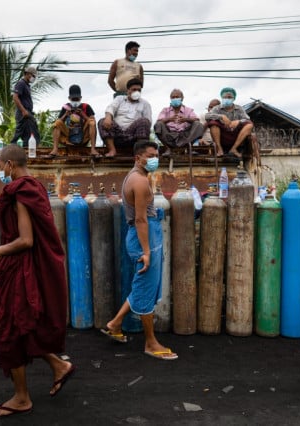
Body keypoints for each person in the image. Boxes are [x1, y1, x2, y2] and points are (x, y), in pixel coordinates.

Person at [0, 144, 74, 418]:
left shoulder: (20, 193)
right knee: (25, 324)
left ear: (10, 165)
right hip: (23, 268)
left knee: (11, 329)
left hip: (21, 266)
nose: (0, 171)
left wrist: (1, 251)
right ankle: (59, 366)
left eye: (0, 166)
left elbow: (26, 240)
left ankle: (22, 398)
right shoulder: (34, 186)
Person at [100, 140, 178, 361]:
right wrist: (146, 251)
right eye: (151, 155)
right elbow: (141, 219)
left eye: (157, 154)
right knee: (145, 289)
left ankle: (115, 324)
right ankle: (151, 343)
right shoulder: (140, 182)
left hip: (143, 234)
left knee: (142, 285)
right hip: (145, 236)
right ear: (138, 158)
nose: (155, 159)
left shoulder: (134, 176)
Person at [98, 78, 152, 158]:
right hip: (117, 134)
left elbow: (148, 122)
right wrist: (108, 117)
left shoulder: (145, 104)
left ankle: (139, 153)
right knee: (103, 121)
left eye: (139, 90)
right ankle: (112, 150)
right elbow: (111, 108)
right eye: (134, 89)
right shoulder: (119, 99)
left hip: (134, 137)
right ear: (128, 90)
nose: (136, 92)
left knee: (144, 121)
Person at [47, 84, 100, 158]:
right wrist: (65, 114)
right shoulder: (66, 106)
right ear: (69, 98)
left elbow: (92, 122)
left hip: (83, 136)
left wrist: (82, 114)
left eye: (77, 99)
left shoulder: (86, 106)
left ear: (81, 98)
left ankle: (93, 149)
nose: (75, 101)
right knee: (57, 123)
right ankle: (55, 149)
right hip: (68, 136)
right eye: (73, 99)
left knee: (91, 122)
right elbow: (59, 122)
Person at [153, 89, 205, 157]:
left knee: (198, 125)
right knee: (158, 125)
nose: (175, 98)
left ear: (182, 98)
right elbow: (158, 122)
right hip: (170, 135)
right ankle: (168, 148)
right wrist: (169, 119)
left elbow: (196, 120)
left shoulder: (188, 110)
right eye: (173, 97)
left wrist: (186, 119)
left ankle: (189, 148)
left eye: (177, 97)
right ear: (170, 99)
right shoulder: (165, 110)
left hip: (185, 135)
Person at [204, 87, 253, 158]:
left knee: (249, 125)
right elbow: (207, 116)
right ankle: (219, 149)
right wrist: (221, 116)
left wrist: (239, 121)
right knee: (213, 123)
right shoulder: (217, 108)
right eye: (225, 97)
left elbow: (247, 118)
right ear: (222, 98)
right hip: (222, 136)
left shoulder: (239, 108)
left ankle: (234, 149)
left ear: (234, 98)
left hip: (235, 136)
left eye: (229, 97)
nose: (227, 99)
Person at [10, 66, 41, 146]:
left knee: (31, 134)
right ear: (27, 74)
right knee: (19, 135)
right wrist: (23, 110)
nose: (34, 78)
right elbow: (15, 97)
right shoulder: (21, 83)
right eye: (33, 76)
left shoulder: (26, 85)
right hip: (23, 113)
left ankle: (26, 153)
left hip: (28, 112)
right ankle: (10, 151)